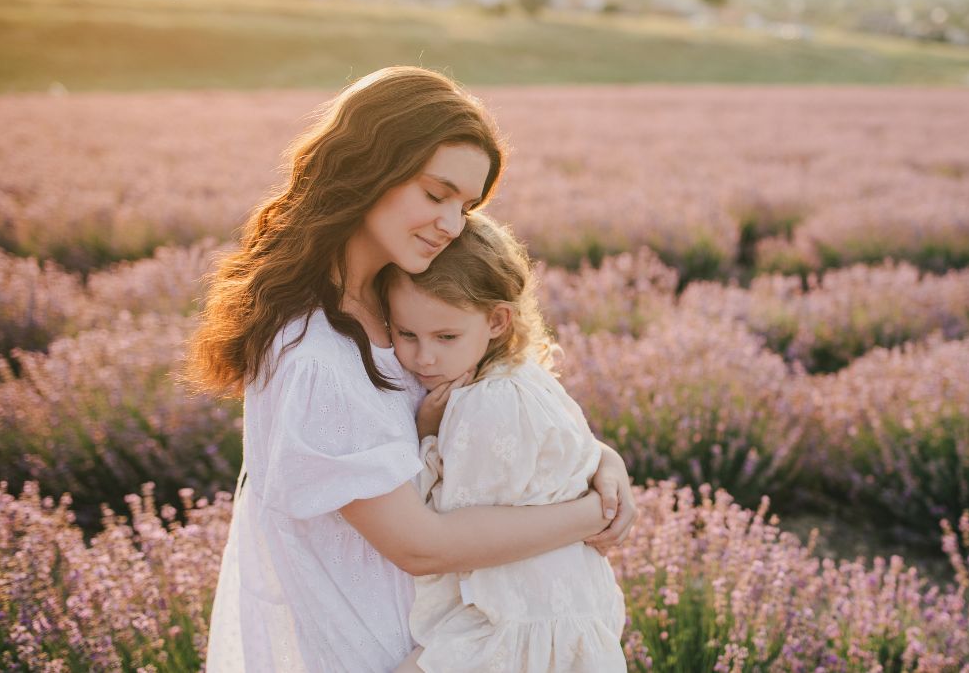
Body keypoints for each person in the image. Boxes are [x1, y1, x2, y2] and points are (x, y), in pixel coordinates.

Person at [189, 66, 636, 672]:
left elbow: (488, 409)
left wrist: (598, 459)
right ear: (367, 170)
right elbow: (420, 547)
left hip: (444, 638)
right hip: (370, 651)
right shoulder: (315, 354)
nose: (452, 225)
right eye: (435, 194)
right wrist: (591, 513)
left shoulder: (399, 303)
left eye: (467, 205)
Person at [381, 213, 626, 673]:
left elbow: (451, 532)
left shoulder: (488, 404)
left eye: (446, 336)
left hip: (514, 625)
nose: (423, 356)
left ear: (497, 320)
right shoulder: (523, 375)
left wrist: (427, 435)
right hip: (561, 609)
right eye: (405, 333)